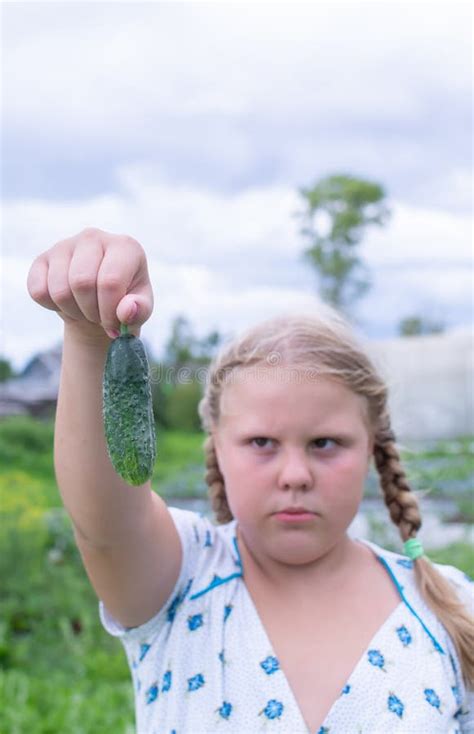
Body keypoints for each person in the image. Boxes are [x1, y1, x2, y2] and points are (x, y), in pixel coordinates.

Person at [27, 228, 473, 734]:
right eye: (262, 443)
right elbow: (104, 526)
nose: (296, 475)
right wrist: (88, 332)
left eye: (325, 443)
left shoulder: (451, 610)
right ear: (216, 445)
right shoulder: (182, 578)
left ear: (371, 444)